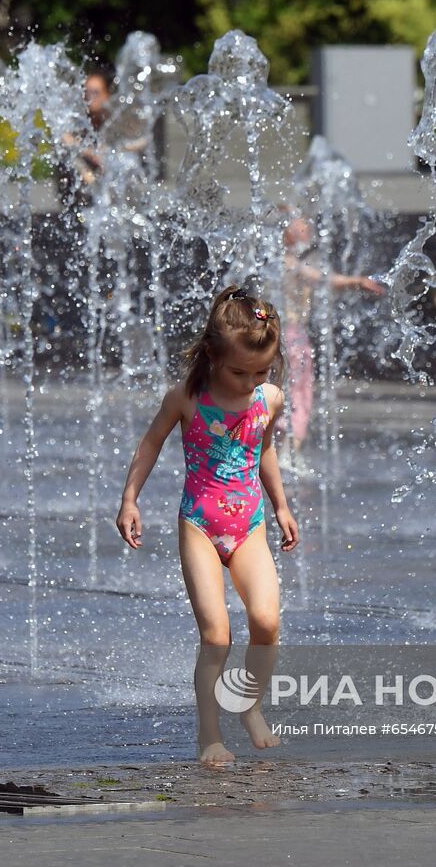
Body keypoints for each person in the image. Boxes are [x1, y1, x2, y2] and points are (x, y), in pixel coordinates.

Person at [116, 286, 299, 762]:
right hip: (199, 523)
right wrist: (130, 499)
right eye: (240, 371)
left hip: (250, 524)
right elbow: (151, 443)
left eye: (262, 370)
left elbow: (264, 451)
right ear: (213, 355)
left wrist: (281, 506)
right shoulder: (186, 398)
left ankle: (251, 705)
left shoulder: (268, 399)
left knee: (266, 621)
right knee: (217, 634)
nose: (251, 380)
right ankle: (209, 736)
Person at [279, 212, 387, 455]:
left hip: (271, 338)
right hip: (293, 338)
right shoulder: (291, 264)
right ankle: (288, 455)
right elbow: (323, 279)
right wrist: (357, 282)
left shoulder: (269, 262)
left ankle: (268, 456)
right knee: (300, 395)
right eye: (301, 222)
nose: (308, 226)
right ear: (288, 232)